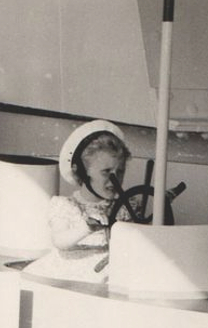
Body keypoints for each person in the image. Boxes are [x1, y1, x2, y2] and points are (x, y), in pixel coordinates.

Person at [24, 120, 134, 283]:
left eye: (120, 172)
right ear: (82, 172)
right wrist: (85, 228)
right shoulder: (65, 205)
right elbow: (59, 241)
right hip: (69, 273)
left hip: (107, 271)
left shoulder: (124, 208)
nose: (114, 179)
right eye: (106, 172)